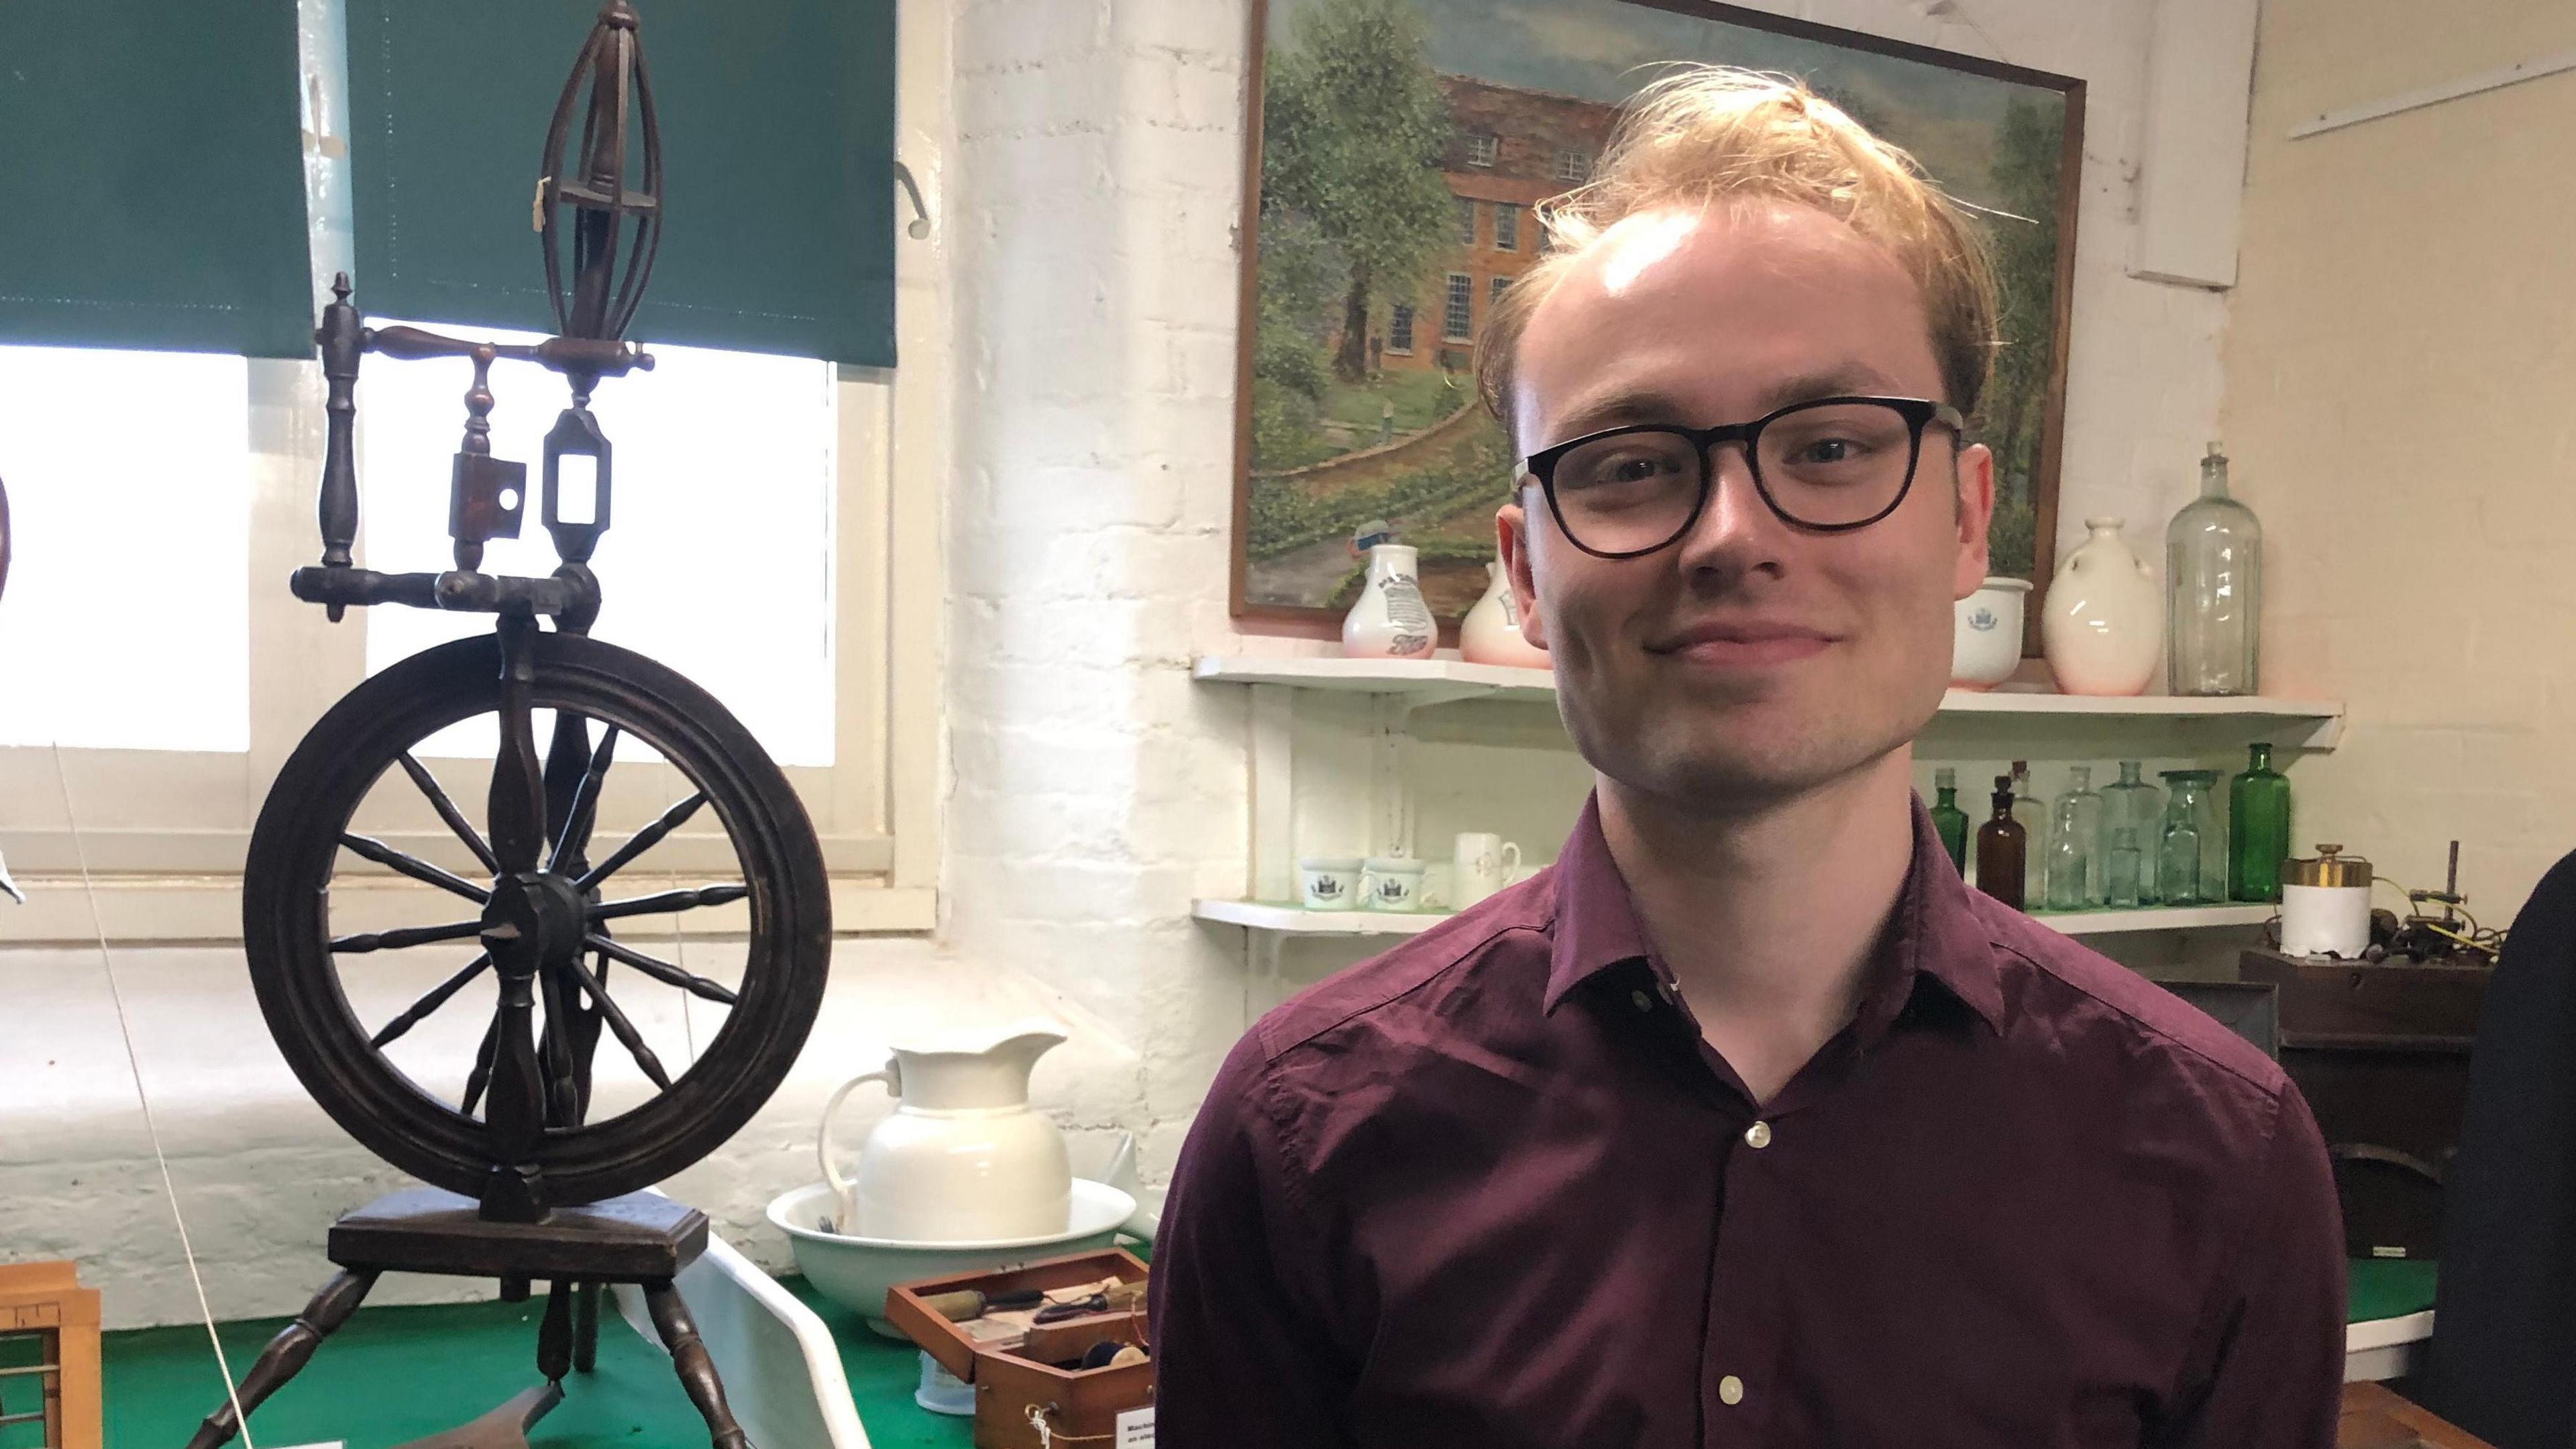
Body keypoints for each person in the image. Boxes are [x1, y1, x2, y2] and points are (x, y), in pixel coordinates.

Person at [1150, 67, 2343, 1447]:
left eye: (1831, 445)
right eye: (1630, 464)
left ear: (1966, 524)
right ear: (1524, 573)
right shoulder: (1303, 1133)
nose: (1730, 535)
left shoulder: (2219, 1156)